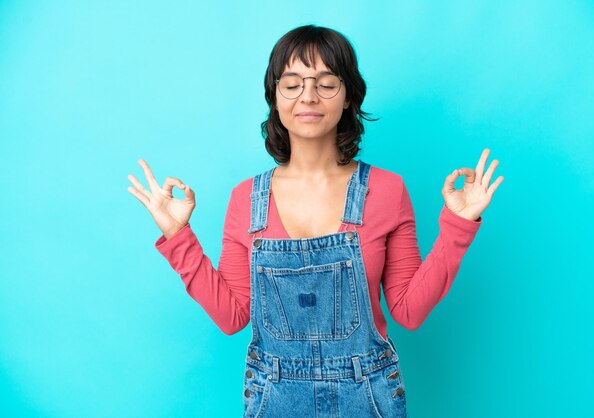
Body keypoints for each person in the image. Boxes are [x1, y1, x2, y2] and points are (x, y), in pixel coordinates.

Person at [127, 24, 503, 418]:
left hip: (368, 399)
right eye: (292, 84)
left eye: (326, 83)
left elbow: (409, 311)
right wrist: (177, 235)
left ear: (348, 98)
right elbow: (232, 315)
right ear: (275, 96)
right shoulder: (245, 200)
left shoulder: (387, 191)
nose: (308, 96)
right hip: (274, 399)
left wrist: (459, 225)